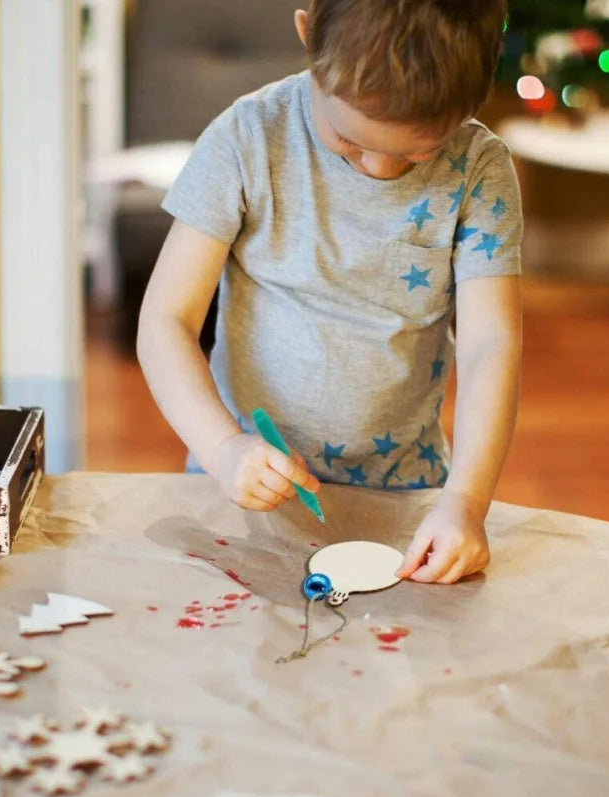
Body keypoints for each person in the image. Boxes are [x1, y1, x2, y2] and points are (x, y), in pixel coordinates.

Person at [137, 0, 521, 584]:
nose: (381, 169)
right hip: (243, 483)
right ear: (308, 34)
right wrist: (221, 449)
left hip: (406, 498)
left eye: (418, 152)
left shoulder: (479, 170)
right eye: (347, 138)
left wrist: (465, 503)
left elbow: (490, 345)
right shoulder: (247, 138)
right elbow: (165, 319)